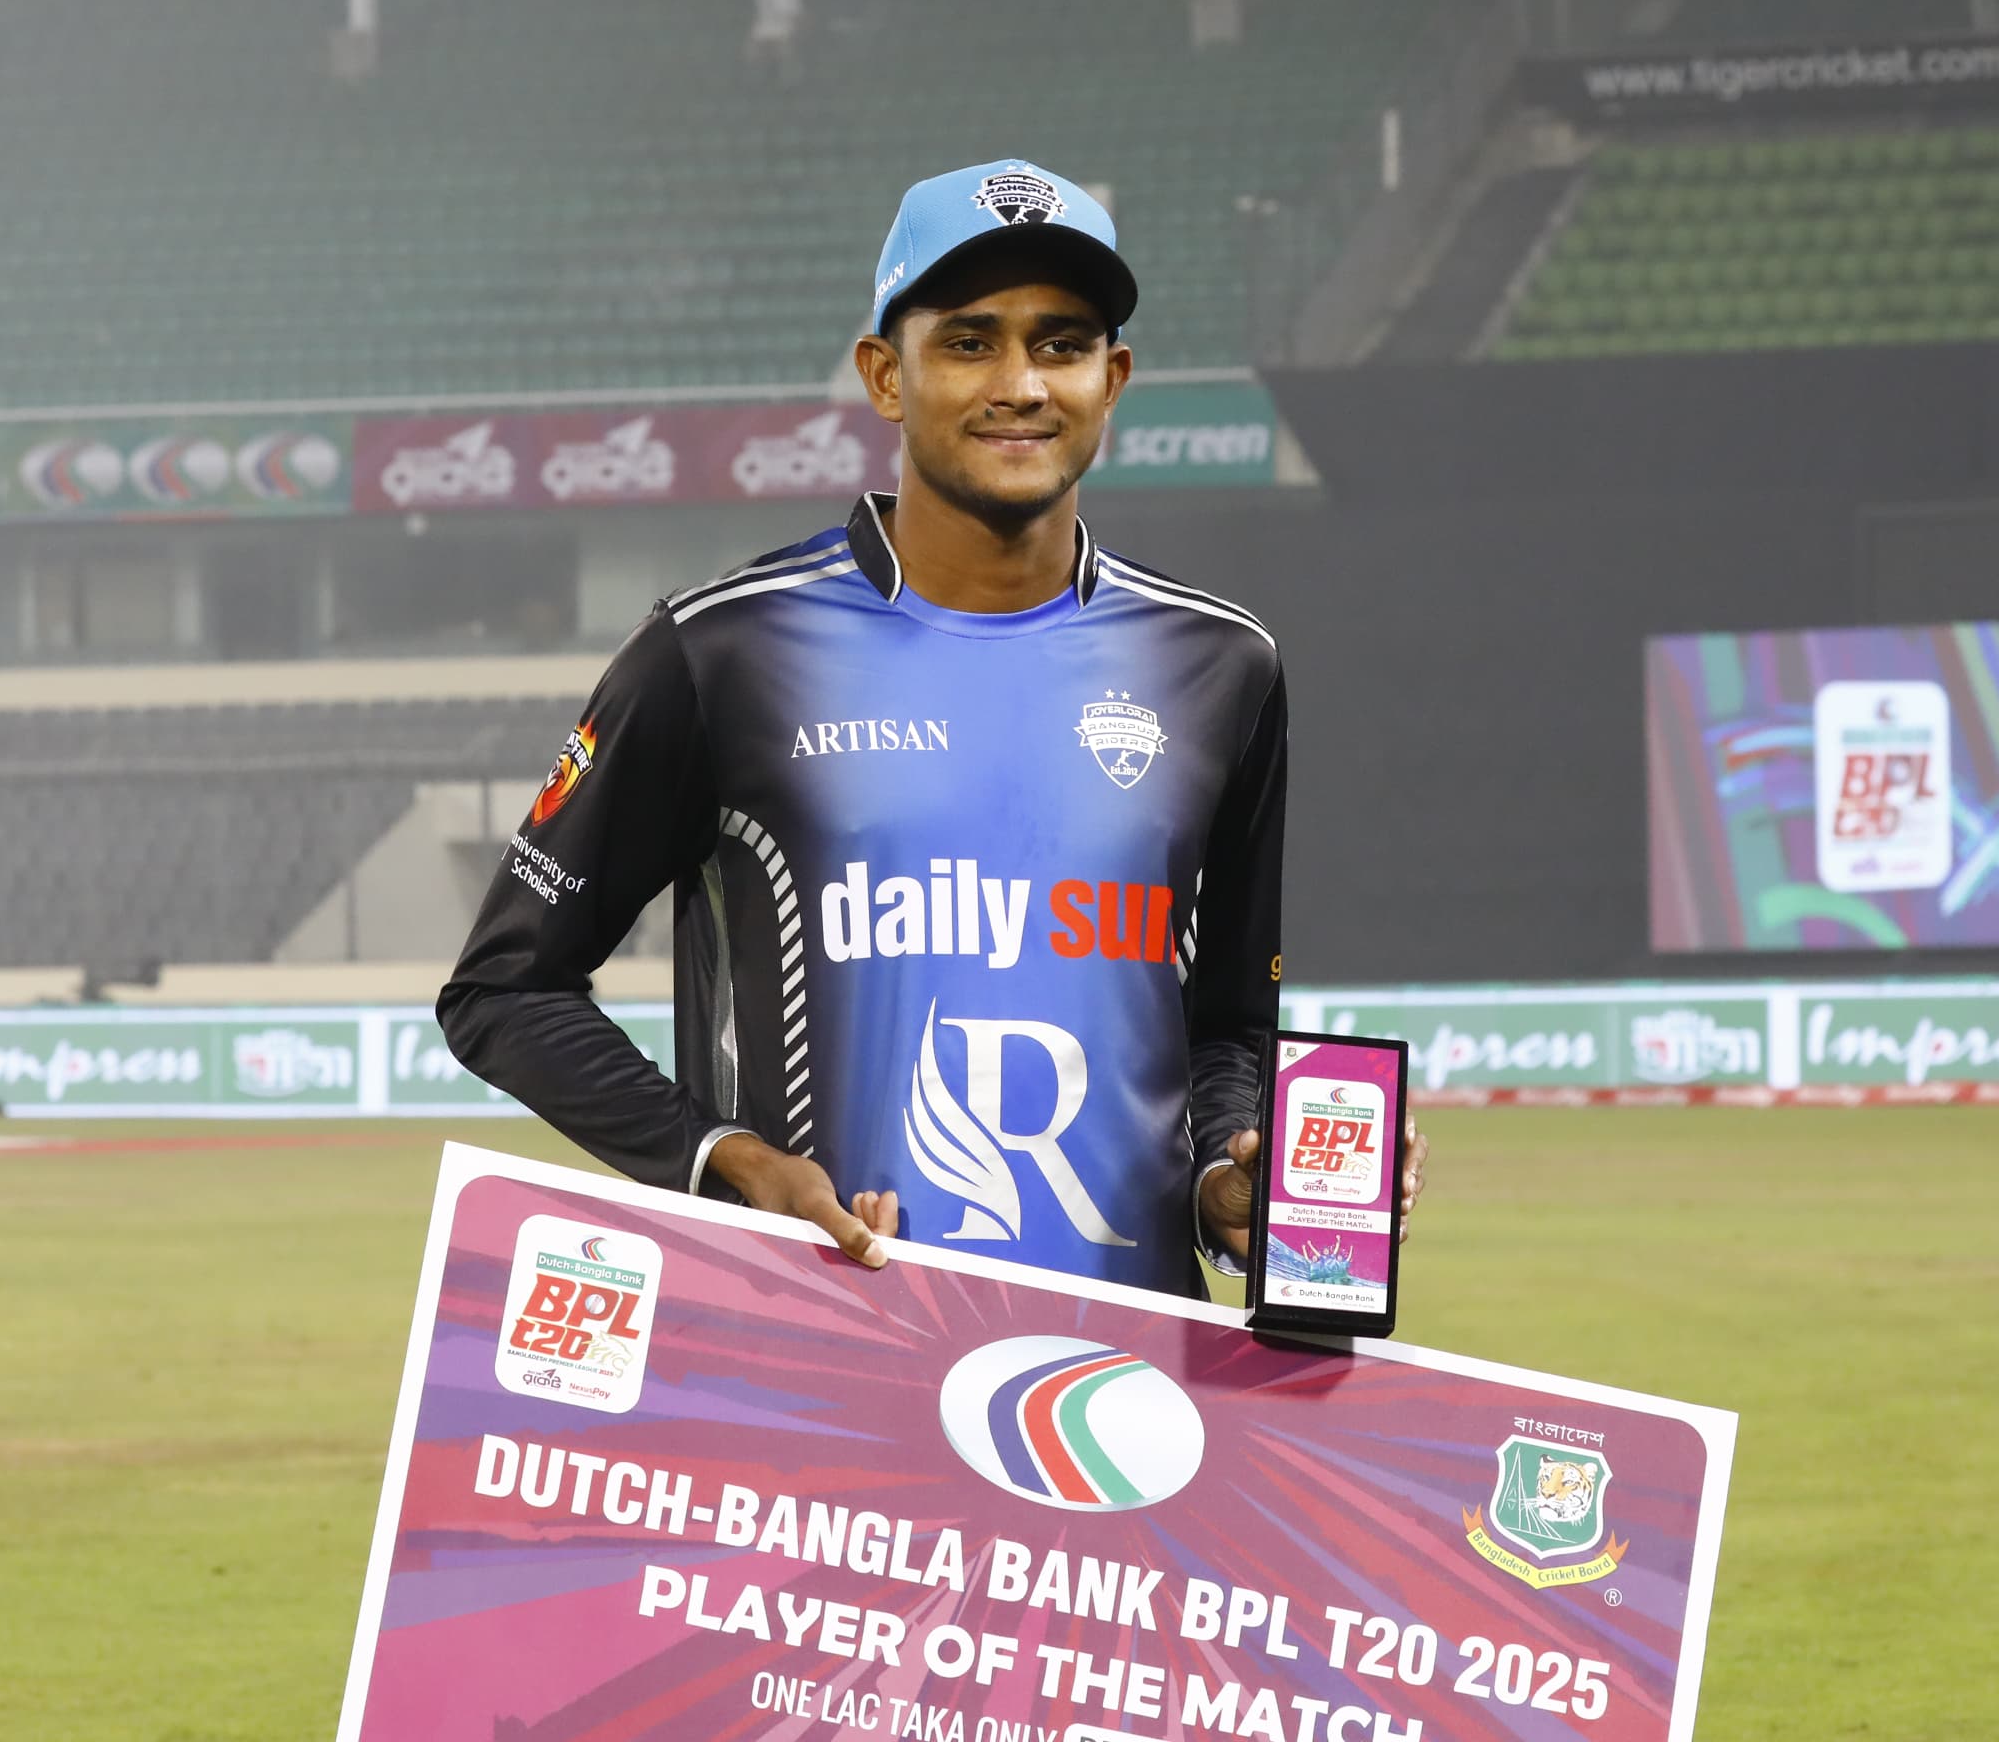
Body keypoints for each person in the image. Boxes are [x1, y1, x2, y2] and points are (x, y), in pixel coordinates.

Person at [441, 158, 1423, 1296]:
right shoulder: (723, 650)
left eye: (1061, 343)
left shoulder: (1223, 663)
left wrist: (1228, 1177)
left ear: (1115, 378)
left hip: (1135, 1377)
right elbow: (504, 988)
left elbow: (1229, 1033)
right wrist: (726, 1161)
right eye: (969, 341)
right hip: (825, 1372)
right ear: (885, 375)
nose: (1022, 382)